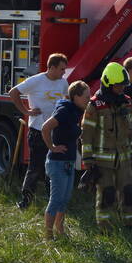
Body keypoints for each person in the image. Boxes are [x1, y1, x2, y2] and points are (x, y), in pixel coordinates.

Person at [80, 63, 132, 230]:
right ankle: (105, 229)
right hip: (102, 162)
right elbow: (87, 134)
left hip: (124, 159)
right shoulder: (95, 105)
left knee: (129, 192)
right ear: (107, 84)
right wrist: (88, 159)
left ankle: (130, 225)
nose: (122, 88)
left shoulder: (126, 102)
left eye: (123, 85)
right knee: (106, 195)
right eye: (118, 85)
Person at [9, 53, 69, 209]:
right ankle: (25, 201)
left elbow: (67, 100)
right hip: (37, 131)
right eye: (62, 69)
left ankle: (53, 201)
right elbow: (13, 92)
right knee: (35, 167)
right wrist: (26, 111)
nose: (64, 72)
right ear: (52, 67)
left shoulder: (63, 82)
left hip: (55, 131)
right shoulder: (36, 81)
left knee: (54, 168)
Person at [40, 80, 90, 239]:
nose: (88, 100)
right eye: (86, 97)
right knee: (56, 200)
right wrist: (52, 147)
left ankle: (60, 230)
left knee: (65, 199)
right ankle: (48, 236)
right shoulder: (64, 111)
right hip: (57, 162)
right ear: (76, 96)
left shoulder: (75, 111)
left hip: (68, 162)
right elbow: (45, 128)